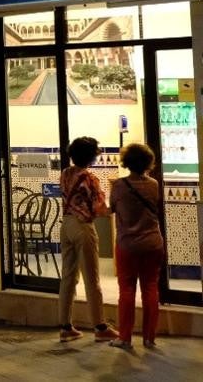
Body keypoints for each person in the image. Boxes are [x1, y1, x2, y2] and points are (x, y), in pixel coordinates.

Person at [58, 136, 120, 342]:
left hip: (65, 224)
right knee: (92, 279)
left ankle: (65, 326)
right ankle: (100, 326)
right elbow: (99, 208)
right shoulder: (90, 178)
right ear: (92, 156)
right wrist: (115, 208)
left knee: (68, 277)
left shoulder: (65, 174)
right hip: (83, 227)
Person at [108, 142, 164, 350]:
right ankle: (149, 338)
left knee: (127, 290)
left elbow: (112, 208)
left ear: (126, 162)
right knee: (150, 287)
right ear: (148, 162)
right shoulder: (153, 185)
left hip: (128, 245)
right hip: (152, 243)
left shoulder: (119, 186)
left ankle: (125, 338)